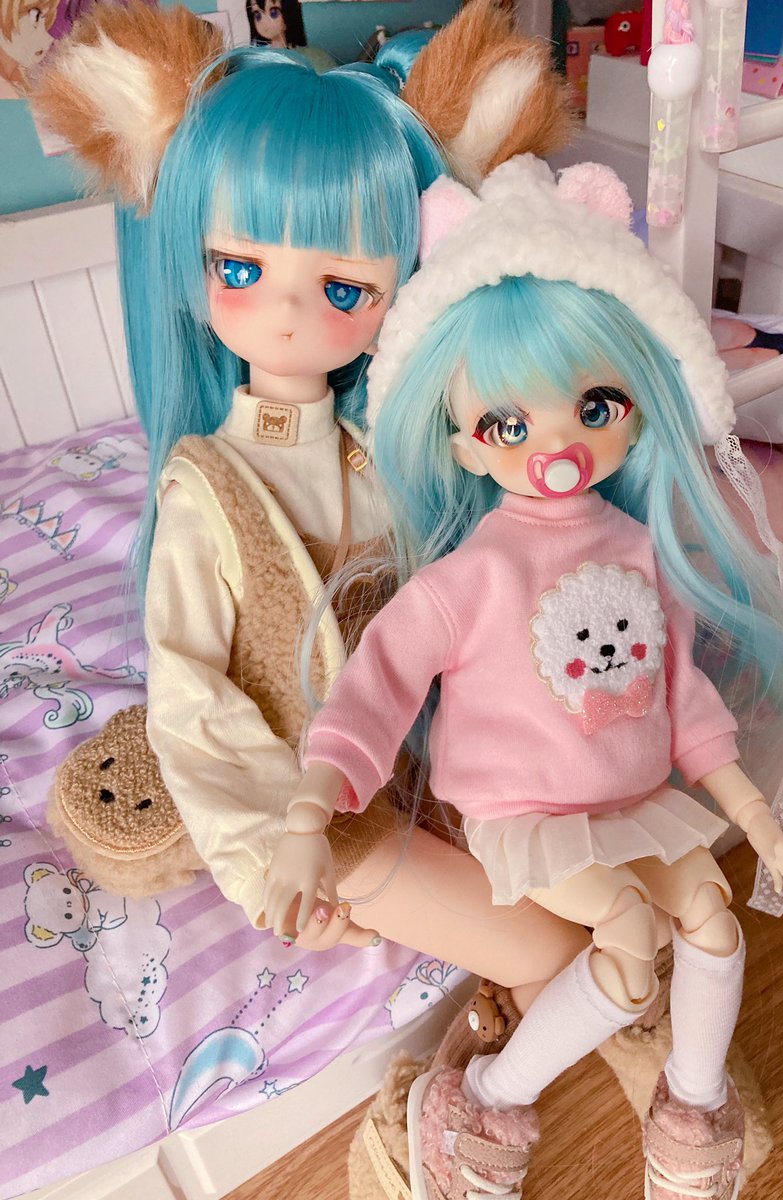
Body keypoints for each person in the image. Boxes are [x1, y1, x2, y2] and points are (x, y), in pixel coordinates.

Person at [29, 0, 590, 1151]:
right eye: (241, 268)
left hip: (425, 765)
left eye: (342, 290)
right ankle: (467, 1113)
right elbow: (192, 699)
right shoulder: (206, 489)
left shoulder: (378, 453)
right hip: (319, 810)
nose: (288, 313)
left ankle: (473, 1059)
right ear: (193, 267)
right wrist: (263, 864)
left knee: (597, 908)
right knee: (558, 952)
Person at [266, 156, 783, 1200]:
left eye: (593, 405)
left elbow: (683, 700)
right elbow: (377, 686)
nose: (555, 445)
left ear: (637, 409)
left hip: (638, 800)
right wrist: (309, 809)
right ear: (469, 448)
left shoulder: (641, 550)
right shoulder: (469, 578)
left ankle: (692, 1110)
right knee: (630, 933)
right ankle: (490, 1094)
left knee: (711, 909)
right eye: (510, 426)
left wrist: (756, 814)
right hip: (528, 814)